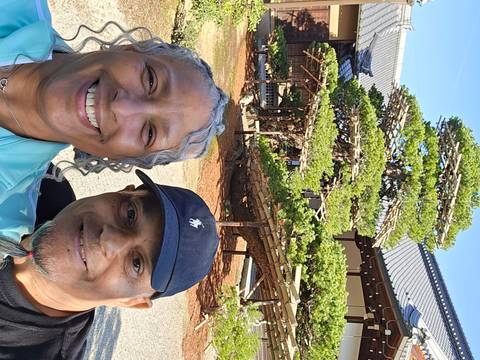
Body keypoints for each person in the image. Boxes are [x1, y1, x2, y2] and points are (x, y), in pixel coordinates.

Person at [0, 0, 229, 202]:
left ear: (118, 158)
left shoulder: (7, 207)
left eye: (149, 133)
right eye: (150, 80)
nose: (120, 107)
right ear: (128, 49)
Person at [0, 169, 219, 359]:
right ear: (125, 190)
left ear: (132, 302)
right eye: (131, 214)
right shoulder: (41, 184)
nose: (109, 240)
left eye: (136, 264)